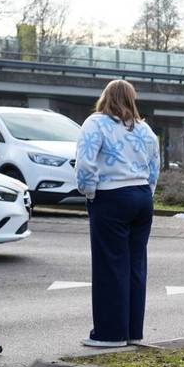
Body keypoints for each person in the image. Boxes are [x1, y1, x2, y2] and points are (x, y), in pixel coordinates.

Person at [76, 80, 160, 348]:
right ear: (132, 99)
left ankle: (109, 334)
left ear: (105, 97)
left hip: (111, 197)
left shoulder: (95, 123)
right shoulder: (144, 129)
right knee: (136, 266)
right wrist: (147, 192)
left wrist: (89, 191)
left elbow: (85, 162)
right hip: (141, 197)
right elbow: (154, 166)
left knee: (109, 266)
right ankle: (133, 330)